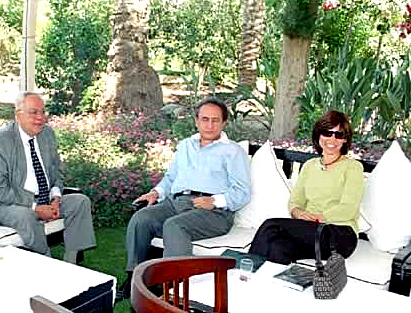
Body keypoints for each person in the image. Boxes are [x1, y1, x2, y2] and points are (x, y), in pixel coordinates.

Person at [116, 97, 252, 301]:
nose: (209, 125)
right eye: (205, 119)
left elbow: (242, 192)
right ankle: (134, 278)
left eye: (215, 120)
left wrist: (215, 201)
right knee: (141, 219)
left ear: (224, 123)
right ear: (196, 120)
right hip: (177, 202)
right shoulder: (186, 145)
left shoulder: (233, 151)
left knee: (174, 226)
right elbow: (171, 178)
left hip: (212, 212)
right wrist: (156, 193)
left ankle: (173, 288)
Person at [0, 91, 96, 262]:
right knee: (26, 216)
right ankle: (46, 263)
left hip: (44, 199)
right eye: (34, 112)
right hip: (6, 203)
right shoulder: (0, 141)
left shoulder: (47, 135)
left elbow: (56, 171)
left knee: (80, 202)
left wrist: (56, 198)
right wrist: (35, 207)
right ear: (18, 115)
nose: (40, 118)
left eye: (43, 112)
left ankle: (71, 263)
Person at [248, 110, 364, 264]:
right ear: (319, 135)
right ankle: (278, 279)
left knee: (271, 226)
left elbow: (348, 208)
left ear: (345, 139)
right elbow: (295, 201)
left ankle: (244, 269)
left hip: (340, 234)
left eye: (339, 135)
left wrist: (317, 218)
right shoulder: (310, 166)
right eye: (327, 133)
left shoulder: (353, 167)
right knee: (278, 248)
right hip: (311, 232)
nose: (332, 139)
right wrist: (297, 212)